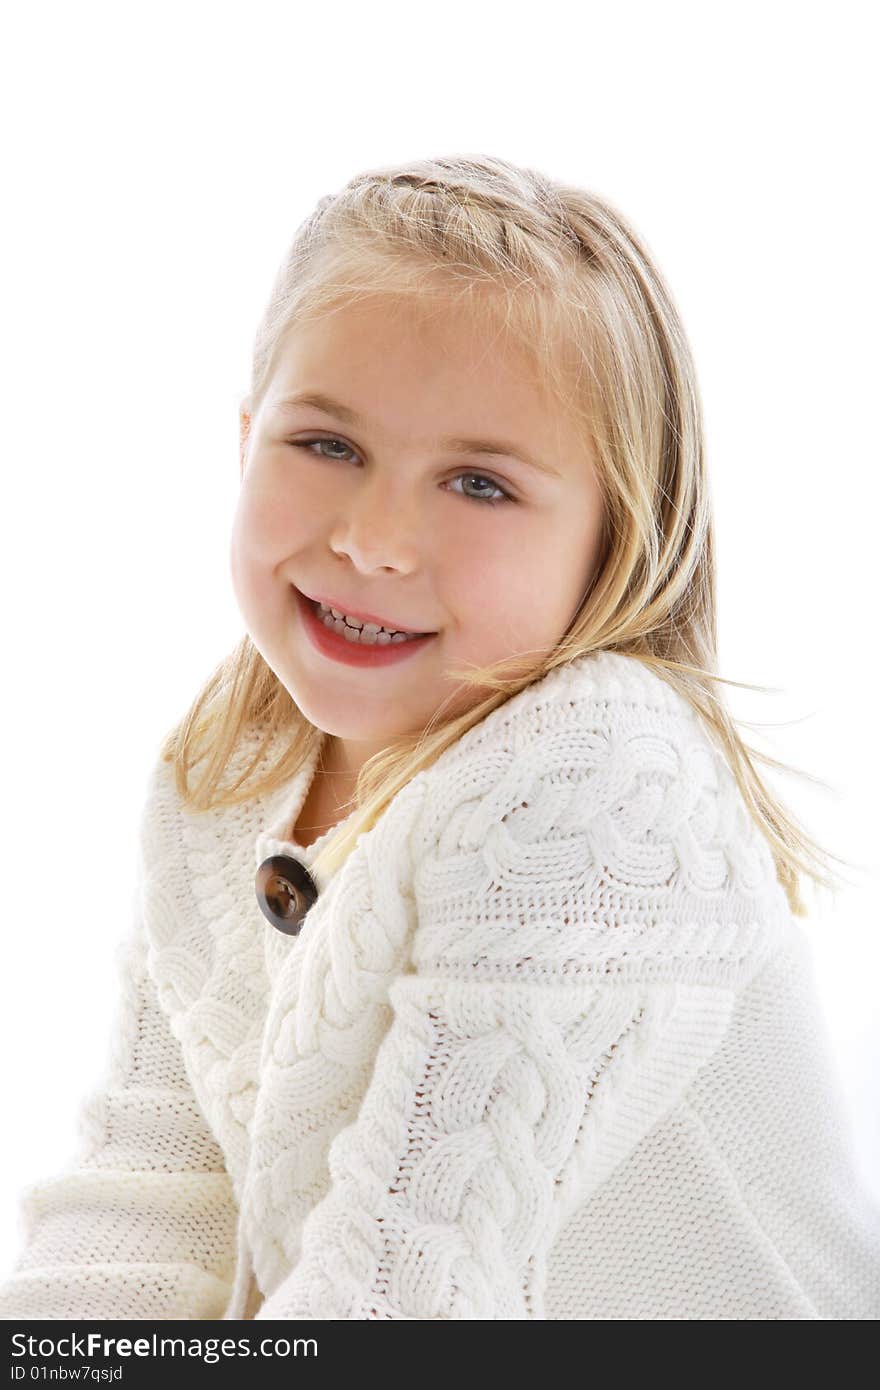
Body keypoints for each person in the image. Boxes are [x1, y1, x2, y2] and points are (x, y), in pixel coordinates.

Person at [1, 152, 878, 1322]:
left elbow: (407, 1289)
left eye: (476, 484)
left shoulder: (597, 780)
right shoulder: (224, 767)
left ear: (614, 538)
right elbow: (147, 1203)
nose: (373, 540)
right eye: (327, 447)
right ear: (245, 436)